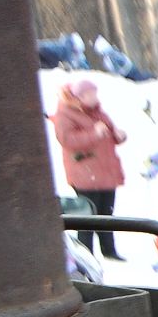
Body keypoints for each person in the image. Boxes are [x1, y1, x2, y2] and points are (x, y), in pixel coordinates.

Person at [52, 79, 126, 259]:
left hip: (106, 172)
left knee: (106, 213)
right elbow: (67, 140)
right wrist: (94, 134)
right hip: (85, 174)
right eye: (92, 94)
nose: (95, 97)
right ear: (80, 96)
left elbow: (110, 131)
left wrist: (119, 135)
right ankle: (86, 254)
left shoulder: (98, 113)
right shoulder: (65, 114)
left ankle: (109, 251)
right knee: (87, 216)